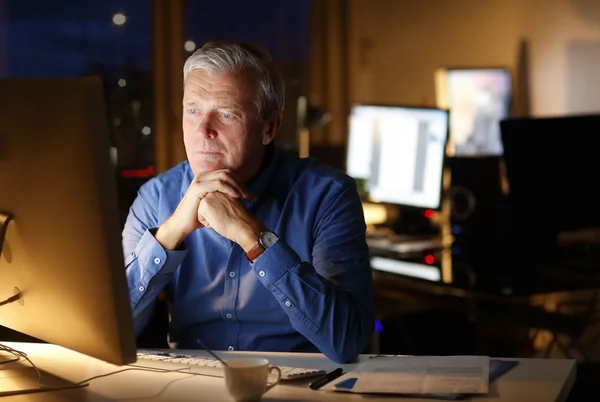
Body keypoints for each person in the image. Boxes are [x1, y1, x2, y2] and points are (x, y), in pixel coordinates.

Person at [123, 41, 374, 364]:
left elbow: (347, 339)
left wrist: (254, 239)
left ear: (269, 127)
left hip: (296, 388)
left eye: (226, 114)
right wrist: (169, 234)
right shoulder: (156, 197)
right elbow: (112, 331)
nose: (203, 130)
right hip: (189, 387)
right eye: (193, 110)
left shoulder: (328, 195)